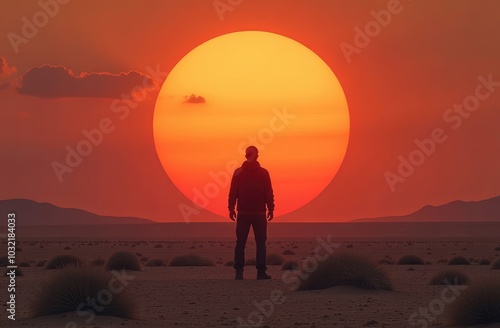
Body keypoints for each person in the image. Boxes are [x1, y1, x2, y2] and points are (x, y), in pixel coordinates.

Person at [228, 145, 275, 280]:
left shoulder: (239, 172)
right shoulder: (263, 173)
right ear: (257, 156)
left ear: (245, 156)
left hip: (246, 213)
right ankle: (260, 272)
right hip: (257, 213)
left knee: (241, 242)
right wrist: (271, 209)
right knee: (260, 243)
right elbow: (268, 192)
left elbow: (232, 193)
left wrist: (231, 208)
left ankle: (239, 272)